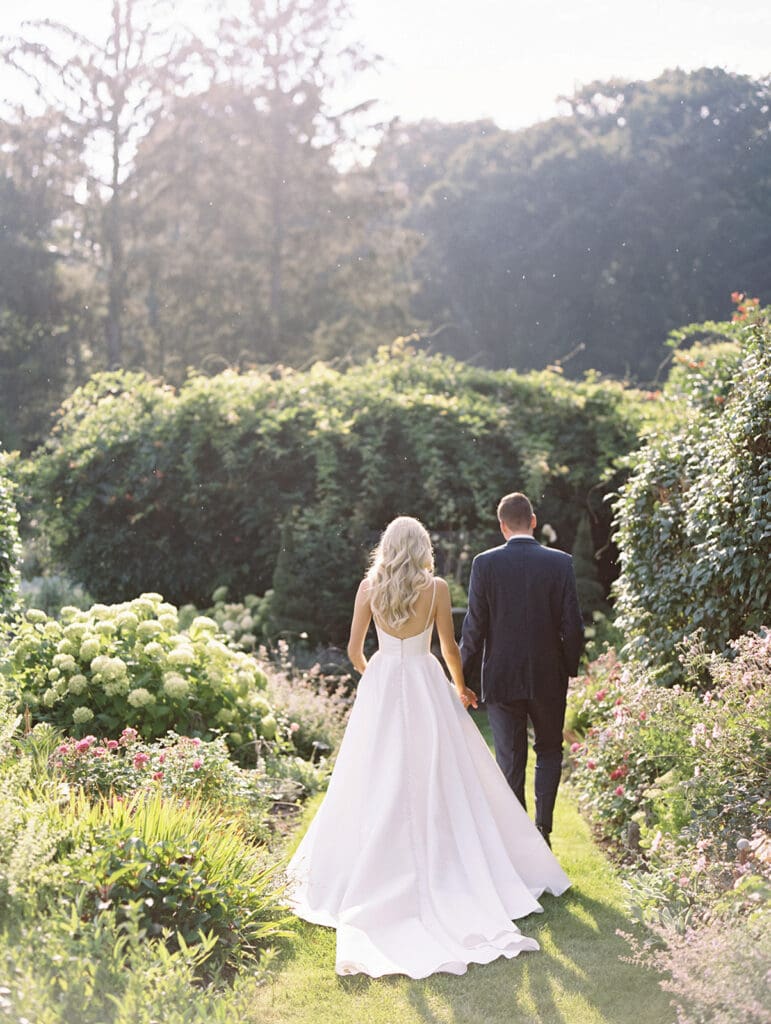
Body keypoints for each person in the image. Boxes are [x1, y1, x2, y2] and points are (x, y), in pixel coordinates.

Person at [286, 515, 569, 979]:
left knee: (374, 774)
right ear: (421, 547)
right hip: (424, 681)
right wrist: (460, 686)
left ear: (386, 546)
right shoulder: (435, 588)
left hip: (384, 683)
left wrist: (377, 675)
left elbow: (354, 650)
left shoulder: (368, 588)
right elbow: (449, 647)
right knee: (439, 770)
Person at [460, 493, 584, 849]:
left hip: (500, 677)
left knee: (510, 758)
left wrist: (461, 679)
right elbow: (573, 627)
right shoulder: (560, 563)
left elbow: (474, 628)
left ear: (502, 526)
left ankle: (518, 842)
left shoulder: (484, 564)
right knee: (549, 750)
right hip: (548, 676)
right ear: (533, 520)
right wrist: (568, 668)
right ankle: (542, 830)